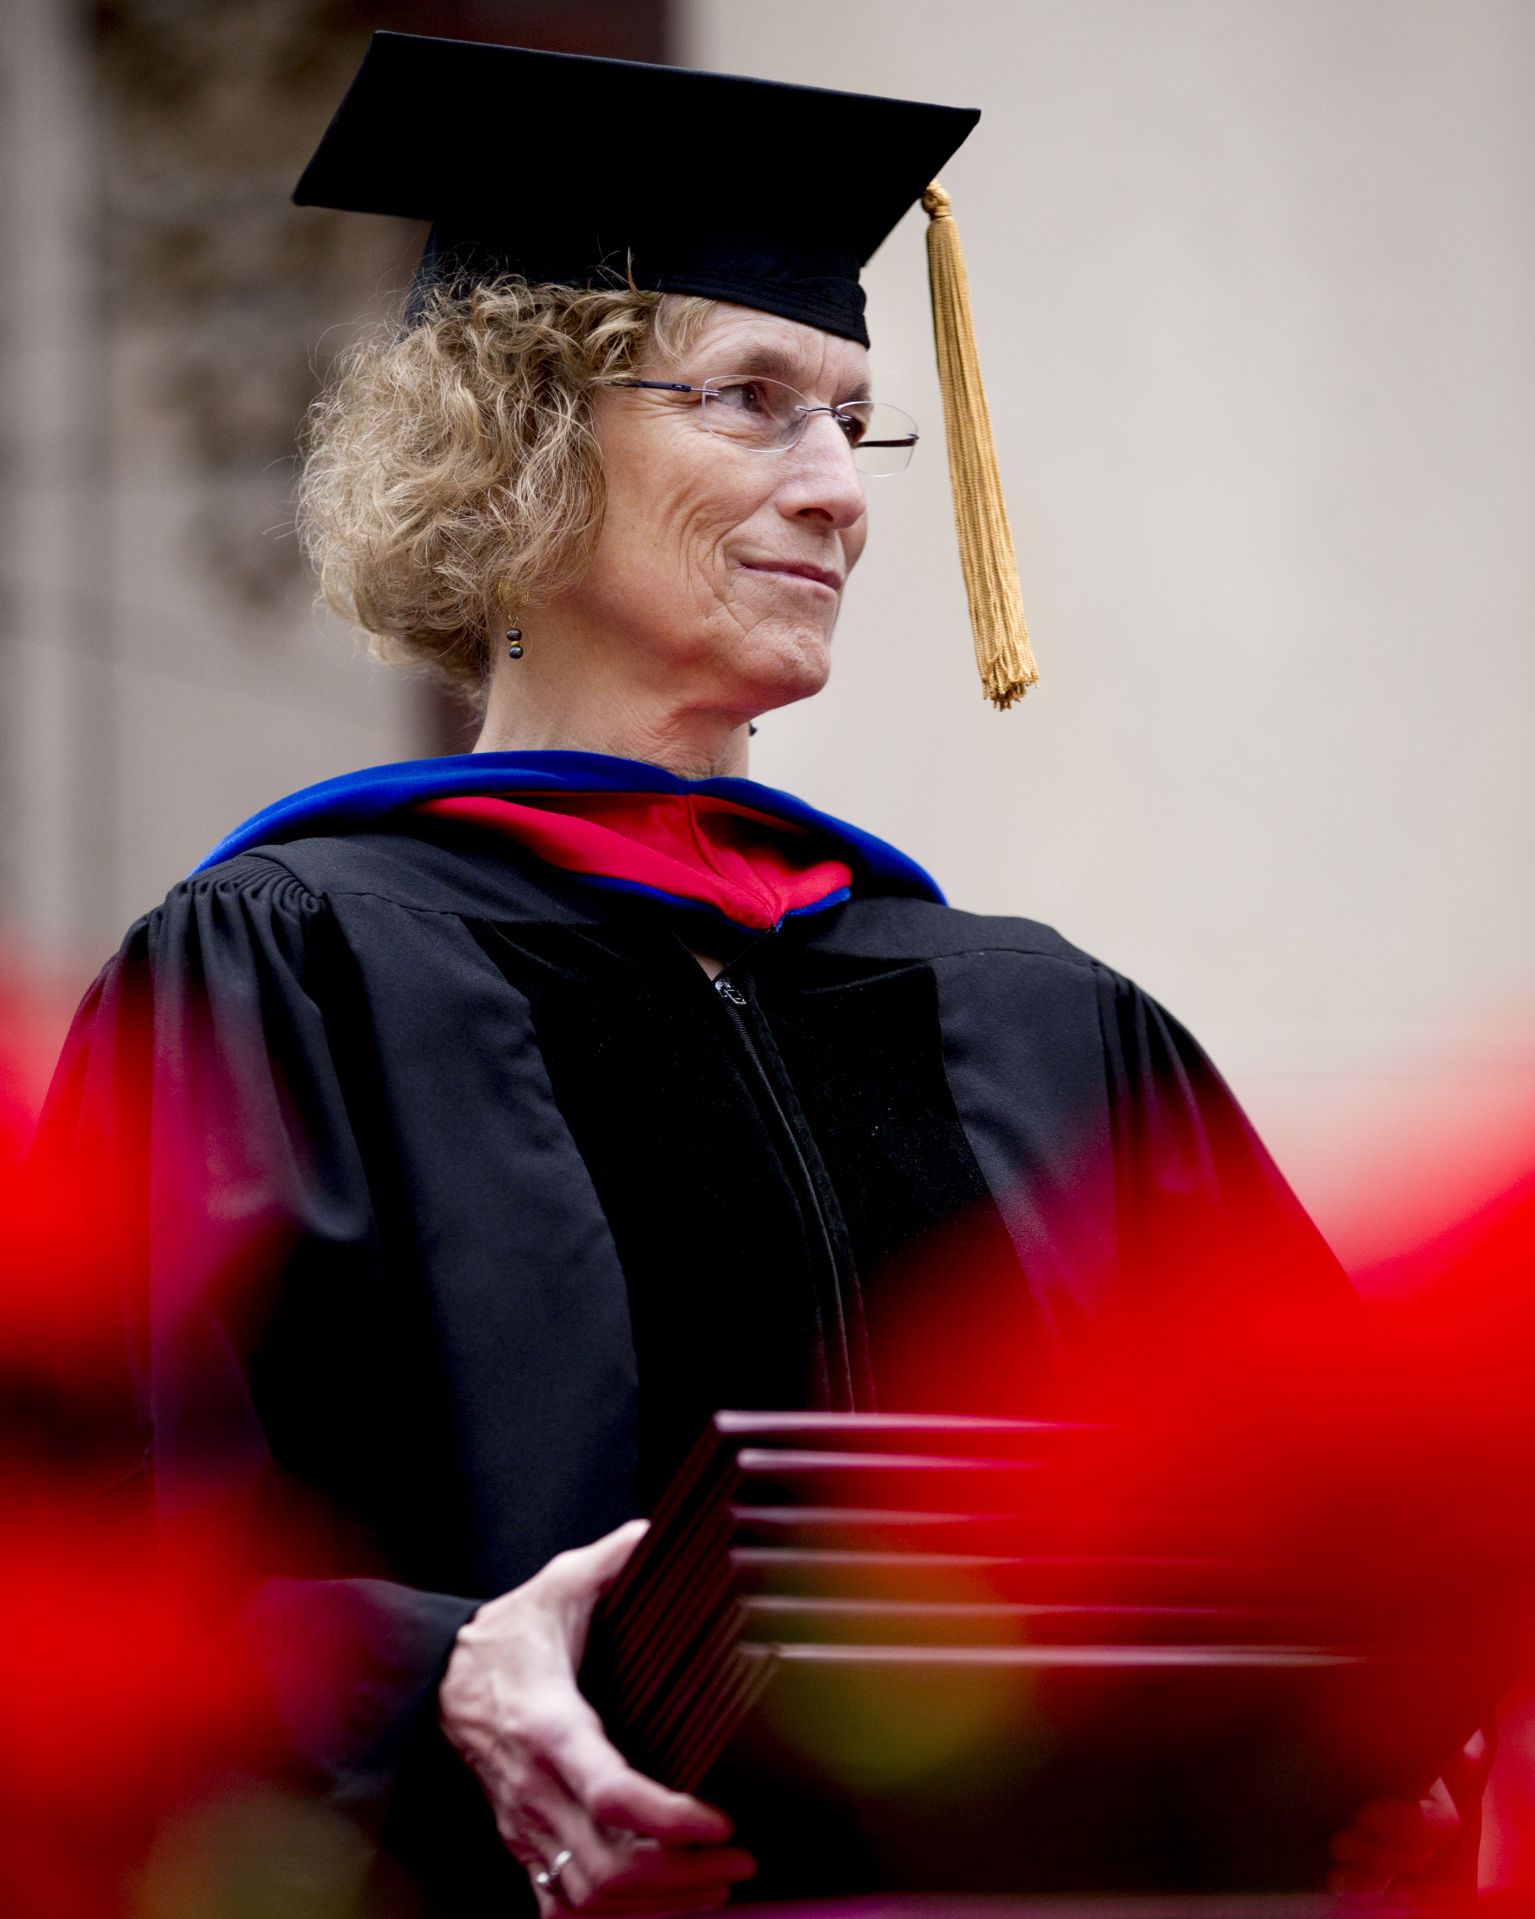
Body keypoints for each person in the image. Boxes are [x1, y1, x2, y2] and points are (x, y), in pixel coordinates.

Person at [34, 31, 1481, 1918]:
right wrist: (451, 1680)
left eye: (853, 419)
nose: (841, 490)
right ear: (522, 435)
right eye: (751, 401)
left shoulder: (1049, 1024)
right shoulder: (294, 975)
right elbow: (110, 1578)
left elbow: (1319, 1544)